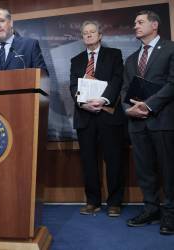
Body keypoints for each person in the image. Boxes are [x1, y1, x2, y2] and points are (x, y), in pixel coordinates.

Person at [121, 10, 174, 235]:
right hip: (137, 124)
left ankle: (170, 214)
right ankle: (151, 209)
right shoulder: (131, 59)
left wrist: (149, 105)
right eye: (134, 23)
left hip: (162, 120)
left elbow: (172, 83)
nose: (135, 26)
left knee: (169, 170)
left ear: (154, 25)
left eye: (140, 22)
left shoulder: (171, 48)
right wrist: (128, 109)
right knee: (145, 171)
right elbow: (124, 90)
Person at [69, 21, 125, 217]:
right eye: (85, 33)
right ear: (82, 37)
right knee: (88, 161)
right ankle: (92, 201)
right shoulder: (75, 60)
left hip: (108, 114)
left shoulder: (114, 54)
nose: (89, 35)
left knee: (114, 159)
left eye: (92, 32)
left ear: (100, 35)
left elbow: (118, 79)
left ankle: (114, 203)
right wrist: (82, 103)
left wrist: (102, 99)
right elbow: (72, 87)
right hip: (85, 116)